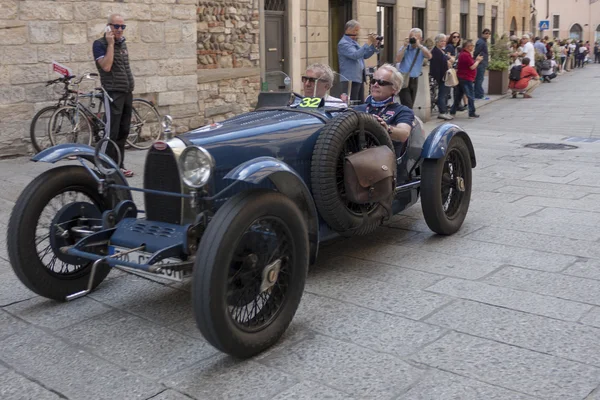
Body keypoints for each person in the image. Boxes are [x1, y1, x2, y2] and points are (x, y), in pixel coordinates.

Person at [92, 13, 135, 177]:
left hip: (126, 91)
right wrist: (110, 44)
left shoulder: (123, 44)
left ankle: (119, 165)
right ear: (108, 26)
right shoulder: (99, 44)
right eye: (116, 26)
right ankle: (103, 165)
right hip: (112, 93)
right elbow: (106, 67)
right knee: (112, 131)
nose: (119, 30)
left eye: (122, 27)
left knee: (124, 130)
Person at [354, 63, 415, 156]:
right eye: (373, 81)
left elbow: (404, 134)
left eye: (381, 82)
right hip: (355, 159)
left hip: (385, 162)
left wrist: (387, 128)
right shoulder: (358, 109)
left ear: (394, 89)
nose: (375, 84)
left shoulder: (402, 111)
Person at [337, 20, 379, 104]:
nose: (357, 33)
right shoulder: (343, 43)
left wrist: (373, 45)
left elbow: (364, 55)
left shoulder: (354, 43)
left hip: (358, 78)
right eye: (356, 30)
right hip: (349, 79)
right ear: (348, 29)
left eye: (358, 30)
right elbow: (355, 55)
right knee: (352, 103)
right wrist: (368, 42)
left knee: (360, 103)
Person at [395, 28, 432, 109]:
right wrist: (404, 46)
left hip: (415, 79)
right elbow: (398, 60)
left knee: (411, 103)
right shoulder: (405, 48)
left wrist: (419, 45)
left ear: (421, 39)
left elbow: (429, 56)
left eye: (416, 37)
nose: (413, 39)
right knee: (407, 104)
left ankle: (407, 119)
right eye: (411, 37)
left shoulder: (421, 49)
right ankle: (407, 119)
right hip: (404, 79)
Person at [450, 40, 483, 119]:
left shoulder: (464, 54)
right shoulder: (465, 55)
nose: (473, 47)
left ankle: (452, 111)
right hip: (466, 78)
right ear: (468, 47)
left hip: (463, 77)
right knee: (470, 95)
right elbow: (472, 66)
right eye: (472, 46)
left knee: (458, 96)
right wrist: (478, 61)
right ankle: (471, 112)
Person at [430, 33, 453, 120]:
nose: (443, 43)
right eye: (441, 41)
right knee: (442, 94)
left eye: (444, 41)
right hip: (441, 76)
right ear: (437, 42)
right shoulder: (436, 51)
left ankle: (445, 111)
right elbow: (437, 65)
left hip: (444, 75)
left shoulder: (441, 51)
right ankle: (442, 112)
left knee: (445, 94)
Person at [473, 28, 491, 99]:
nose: (487, 35)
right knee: (479, 78)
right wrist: (477, 59)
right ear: (482, 34)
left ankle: (478, 93)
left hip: (482, 62)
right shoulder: (481, 42)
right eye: (486, 33)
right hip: (480, 62)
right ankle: (479, 94)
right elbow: (476, 52)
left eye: (489, 33)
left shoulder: (483, 41)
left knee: (479, 78)